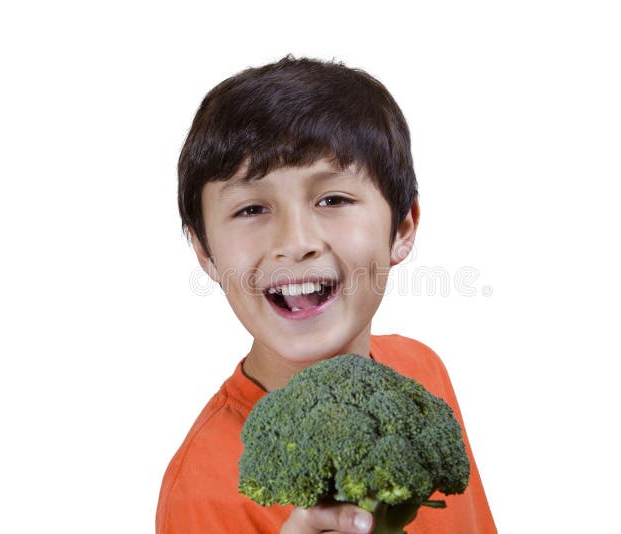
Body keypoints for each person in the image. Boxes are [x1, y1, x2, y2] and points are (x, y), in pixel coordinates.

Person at [156, 54, 497, 534]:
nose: (295, 242)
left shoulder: (423, 371)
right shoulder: (203, 490)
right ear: (205, 251)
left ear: (402, 227)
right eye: (252, 208)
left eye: (332, 199)